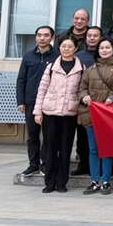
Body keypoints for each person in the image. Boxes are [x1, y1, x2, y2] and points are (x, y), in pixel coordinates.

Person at [77, 38, 113, 196]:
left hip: (109, 116)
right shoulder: (91, 69)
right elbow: (82, 87)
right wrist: (84, 96)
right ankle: (94, 181)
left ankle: (106, 180)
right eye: (102, 48)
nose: (104, 50)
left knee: (107, 148)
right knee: (93, 149)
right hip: (92, 114)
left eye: (108, 47)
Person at [33, 36, 84, 193]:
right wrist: (37, 111)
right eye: (63, 46)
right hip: (50, 112)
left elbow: (82, 91)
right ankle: (49, 183)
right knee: (50, 149)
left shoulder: (81, 68)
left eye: (70, 46)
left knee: (65, 149)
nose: (66, 49)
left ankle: (62, 182)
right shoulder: (51, 67)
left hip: (70, 113)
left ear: (76, 49)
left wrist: (81, 113)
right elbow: (42, 89)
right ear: (59, 47)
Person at [16, 26, 58, 177]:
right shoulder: (28, 56)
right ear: (35, 37)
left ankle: (46, 163)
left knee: (48, 135)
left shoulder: (57, 56)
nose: (42, 38)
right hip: (31, 101)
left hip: (50, 102)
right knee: (32, 135)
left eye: (46, 35)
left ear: (52, 38)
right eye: (39, 35)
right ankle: (33, 164)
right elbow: (21, 79)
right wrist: (21, 101)